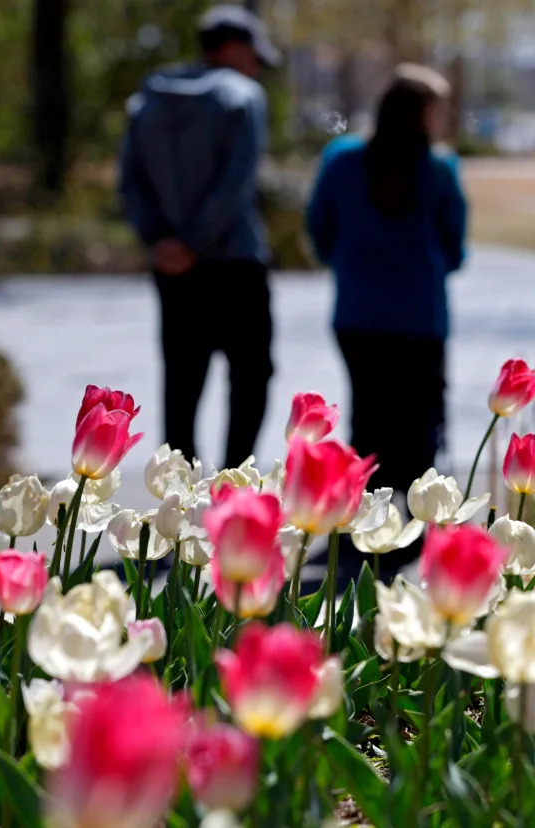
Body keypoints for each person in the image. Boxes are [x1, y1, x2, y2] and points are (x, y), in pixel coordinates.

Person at [306, 65, 468, 579]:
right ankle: (412, 526)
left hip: (358, 312)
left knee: (367, 416)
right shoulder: (439, 171)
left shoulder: (342, 160)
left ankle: (361, 518)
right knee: (418, 421)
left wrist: (352, 263)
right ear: (423, 113)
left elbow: (319, 229)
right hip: (419, 315)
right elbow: (455, 248)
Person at [119, 5, 279, 469]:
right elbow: (235, 184)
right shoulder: (243, 98)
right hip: (236, 264)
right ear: (232, 49)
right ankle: (236, 489)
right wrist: (195, 241)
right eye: (253, 55)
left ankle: (179, 502)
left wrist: (161, 241)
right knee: (251, 378)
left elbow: (130, 182)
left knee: (182, 383)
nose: (255, 67)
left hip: (173, 268)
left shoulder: (147, 99)